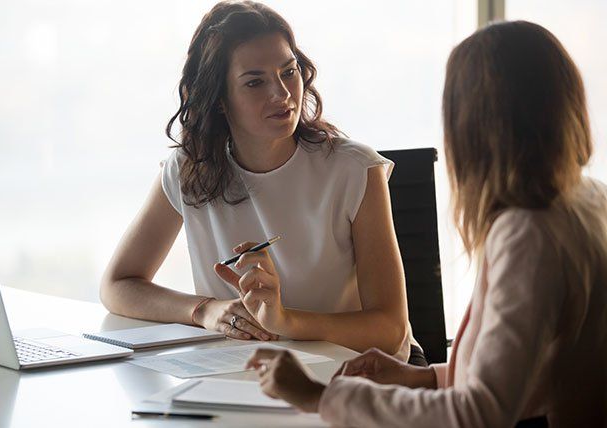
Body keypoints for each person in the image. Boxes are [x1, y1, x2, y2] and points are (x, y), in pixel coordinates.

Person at [246, 20, 607, 427]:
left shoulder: (528, 234)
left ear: (472, 126)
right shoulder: (590, 200)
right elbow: (534, 376)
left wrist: (320, 396)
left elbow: (477, 414)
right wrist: (426, 377)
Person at [100, 0, 422, 361]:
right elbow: (117, 285)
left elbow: (391, 330)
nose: (283, 94)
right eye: (255, 82)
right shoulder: (190, 169)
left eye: (289, 72)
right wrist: (205, 310)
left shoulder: (354, 169)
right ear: (219, 98)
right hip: (247, 375)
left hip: (359, 375)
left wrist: (286, 321)